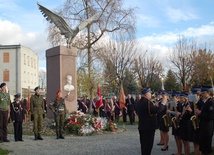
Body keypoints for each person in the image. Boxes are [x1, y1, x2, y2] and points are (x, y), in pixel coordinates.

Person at [136, 87, 167, 155]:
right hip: (149, 127)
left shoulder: (139, 102)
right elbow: (157, 110)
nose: (151, 95)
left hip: (142, 126)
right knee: (148, 146)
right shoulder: (147, 103)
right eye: (150, 93)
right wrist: (163, 103)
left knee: (144, 145)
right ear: (146, 94)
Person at [195, 86, 214, 155]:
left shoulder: (210, 102)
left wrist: (200, 113)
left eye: (203, 93)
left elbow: (211, 116)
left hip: (208, 127)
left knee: (207, 148)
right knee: (203, 147)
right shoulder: (204, 102)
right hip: (203, 126)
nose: (202, 94)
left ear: (208, 93)